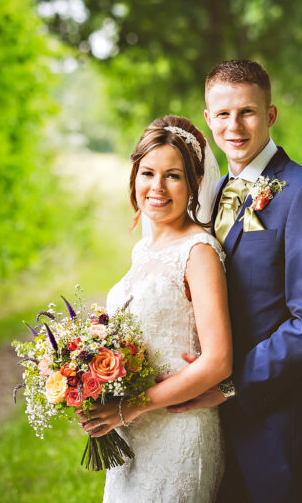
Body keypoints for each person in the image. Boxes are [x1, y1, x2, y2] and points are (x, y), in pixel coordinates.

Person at [166, 59, 302, 502]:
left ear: (270, 115)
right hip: (211, 423)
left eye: (247, 112)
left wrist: (229, 384)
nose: (235, 126)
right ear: (208, 119)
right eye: (223, 114)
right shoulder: (209, 195)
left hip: (282, 418)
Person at [77, 115, 232, 502]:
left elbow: (218, 362)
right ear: (134, 177)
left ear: (196, 183)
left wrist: (129, 407)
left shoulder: (199, 253)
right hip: (133, 433)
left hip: (179, 434)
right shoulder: (143, 249)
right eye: (148, 173)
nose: (157, 187)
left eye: (173, 176)